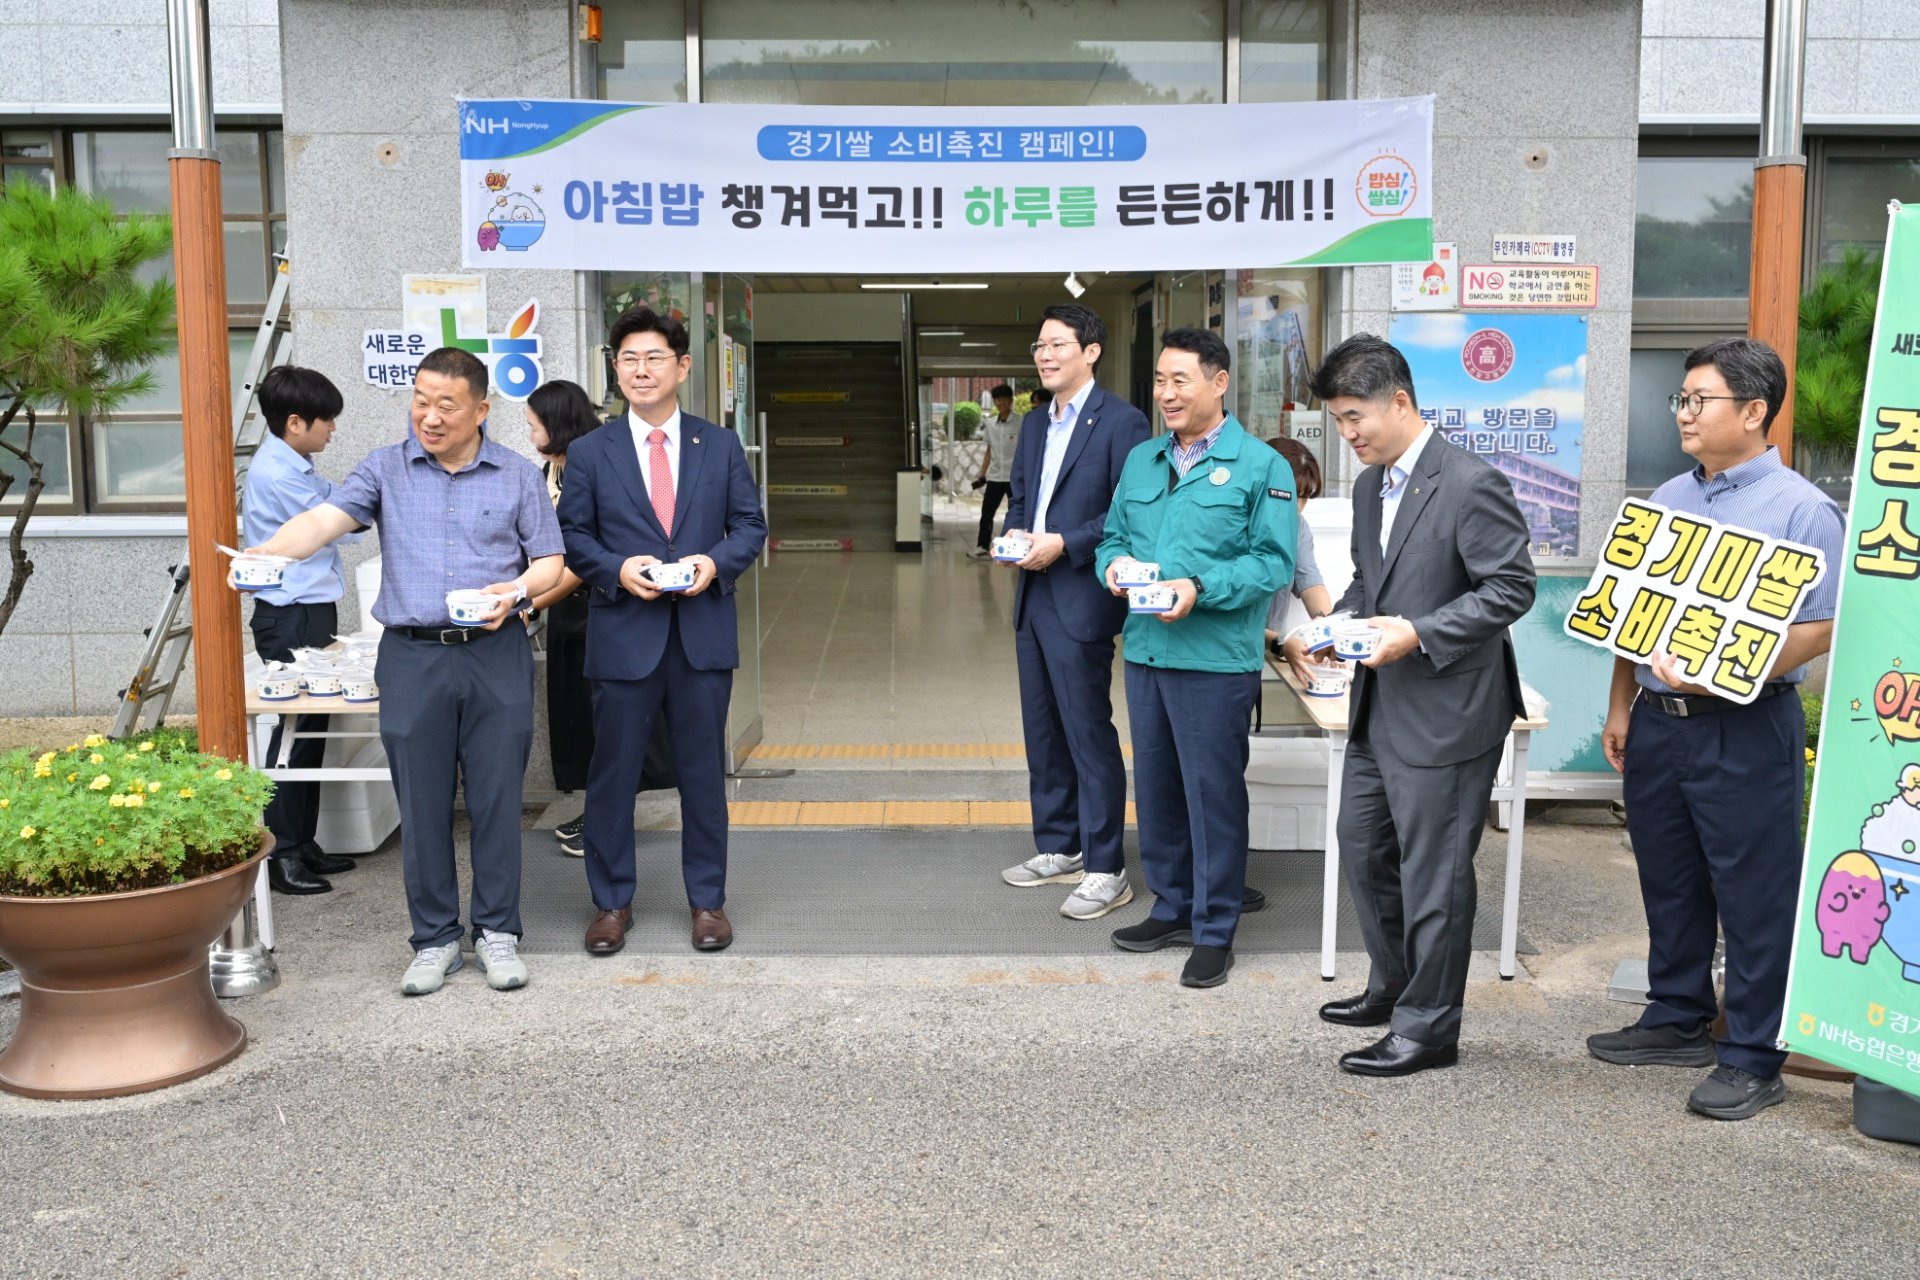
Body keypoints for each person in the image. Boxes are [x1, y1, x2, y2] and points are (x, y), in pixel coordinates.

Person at [237, 347, 565, 996]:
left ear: (480, 410)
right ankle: (435, 938)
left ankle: (497, 932)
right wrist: (269, 553)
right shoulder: (385, 468)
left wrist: (514, 593)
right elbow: (324, 522)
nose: (429, 416)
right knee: (421, 802)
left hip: (495, 651)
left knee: (497, 799)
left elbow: (550, 562)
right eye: (420, 400)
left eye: (446, 404)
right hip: (412, 656)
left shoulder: (517, 476)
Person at [1588, 337, 1843, 1120]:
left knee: (1754, 890)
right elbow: (1631, 611)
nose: (1684, 414)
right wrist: (1621, 705)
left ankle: (1754, 1055)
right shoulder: (1668, 497)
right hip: (1659, 723)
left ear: (1755, 410)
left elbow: (1822, 627)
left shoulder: (1802, 509)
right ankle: (1676, 1015)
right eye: (1682, 400)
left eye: (1701, 400)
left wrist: (1730, 665)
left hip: (1744, 724)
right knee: (1669, 875)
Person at [1310, 333, 1535, 1077]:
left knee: (1435, 874)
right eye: (1338, 420)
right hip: (1379, 703)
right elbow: (1370, 583)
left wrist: (1419, 633)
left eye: (1354, 417)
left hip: (1449, 711)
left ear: (1399, 402)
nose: (1347, 435)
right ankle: (1396, 984)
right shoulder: (1371, 486)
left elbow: (1511, 589)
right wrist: (1334, 628)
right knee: (1362, 843)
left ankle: (1429, 1028)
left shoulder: (1470, 482)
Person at [558, 306, 768, 957]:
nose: (641, 370)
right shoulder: (590, 452)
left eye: (654, 358)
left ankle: (708, 902)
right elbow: (573, 536)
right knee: (613, 775)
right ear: (616, 369)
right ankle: (611, 903)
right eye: (629, 359)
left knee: (703, 776)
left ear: (682, 367)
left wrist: (715, 563)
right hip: (625, 636)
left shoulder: (719, 445)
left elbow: (750, 526)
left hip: (701, 637)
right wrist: (617, 570)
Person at [1094, 327, 1296, 986]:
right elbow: (1112, 537)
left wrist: (1200, 587)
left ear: (1219, 382)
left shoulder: (1261, 466)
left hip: (1214, 661)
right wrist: (1112, 566)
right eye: (1160, 380)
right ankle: (1172, 906)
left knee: (1212, 798)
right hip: (1147, 655)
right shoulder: (1142, 460)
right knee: (1157, 793)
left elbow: (1272, 563)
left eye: (1180, 380)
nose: (1166, 393)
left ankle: (1214, 928)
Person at [995, 305, 1150, 919]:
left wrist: (1065, 543)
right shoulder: (1036, 422)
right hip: (1031, 594)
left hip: (1080, 593)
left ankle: (1106, 866)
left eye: (1057, 344)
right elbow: (1022, 497)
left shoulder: (1123, 421)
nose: (1045, 354)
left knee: (1087, 731)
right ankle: (1060, 845)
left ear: (1091, 351)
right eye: (1039, 345)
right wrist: (1013, 535)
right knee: (1042, 728)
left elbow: (1126, 511)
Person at [241, 364, 356, 896]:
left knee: (311, 729)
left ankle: (302, 841)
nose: (332, 428)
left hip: (309, 609)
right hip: (290, 614)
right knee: (291, 732)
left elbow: (341, 499)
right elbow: (342, 519)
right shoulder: (278, 473)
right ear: (295, 422)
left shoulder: (298, 463)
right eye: (325, 419)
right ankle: (281, 852)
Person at [1261, 436, 1337, 686]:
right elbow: (1231, 621)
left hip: (1261, 657)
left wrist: (1326, 629)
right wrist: (1280, 644)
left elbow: (1310, 581)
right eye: (1290, 496)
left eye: (1303, 497)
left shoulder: (1297, 526)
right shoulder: (1231, 525)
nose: (1297, 507)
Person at [966, 384, 1020, 561]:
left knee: (1016, 513)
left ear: (1011, 400)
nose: (1000, 402)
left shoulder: (1020, 422)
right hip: (995, 476)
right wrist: (982, 472)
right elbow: (989, 450)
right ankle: (982, 547)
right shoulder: (990, 424)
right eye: (997, 399)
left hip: (1014, 478)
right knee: (987, 513)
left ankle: (1017, 548)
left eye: (1004, 399)